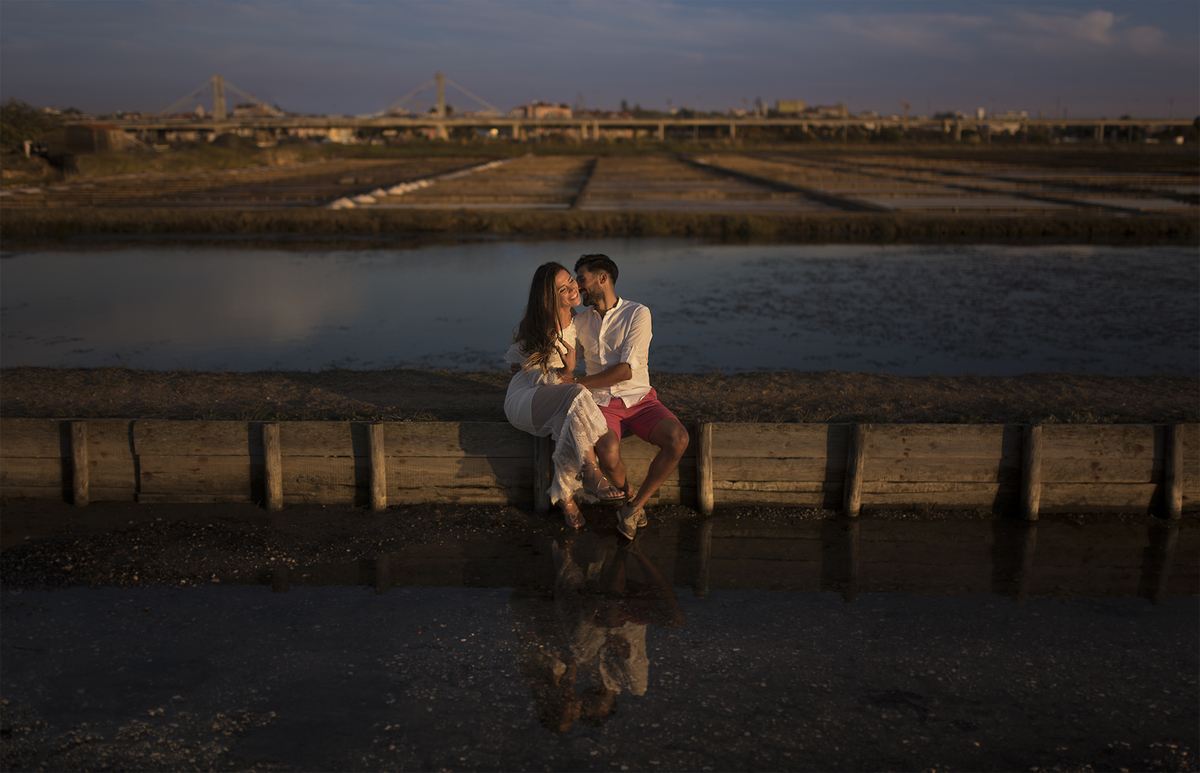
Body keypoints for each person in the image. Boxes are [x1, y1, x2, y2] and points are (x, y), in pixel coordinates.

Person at [572, 254, 691, 539]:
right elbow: (557, 347)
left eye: (582, 279)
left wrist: (578, 382)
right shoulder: (580, 320)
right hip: (601, 404)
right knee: (608, 454)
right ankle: (628, 497)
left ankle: (634, 507)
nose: (579, 287)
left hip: (640, 400)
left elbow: (626, 371)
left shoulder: (638, 313)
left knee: (679, 439)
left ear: (603, 278)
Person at [505, 262, 625, 528]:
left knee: (566, 423)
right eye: (563, 288)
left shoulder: (579, 321)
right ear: (550, 296)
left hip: (559, 397)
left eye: (571, 280)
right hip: (526, 399)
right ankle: (592, 473)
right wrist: (569, 370)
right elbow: (539, 378)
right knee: (577, 391)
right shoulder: (540, 328)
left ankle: (564, 497)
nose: (573, 287)